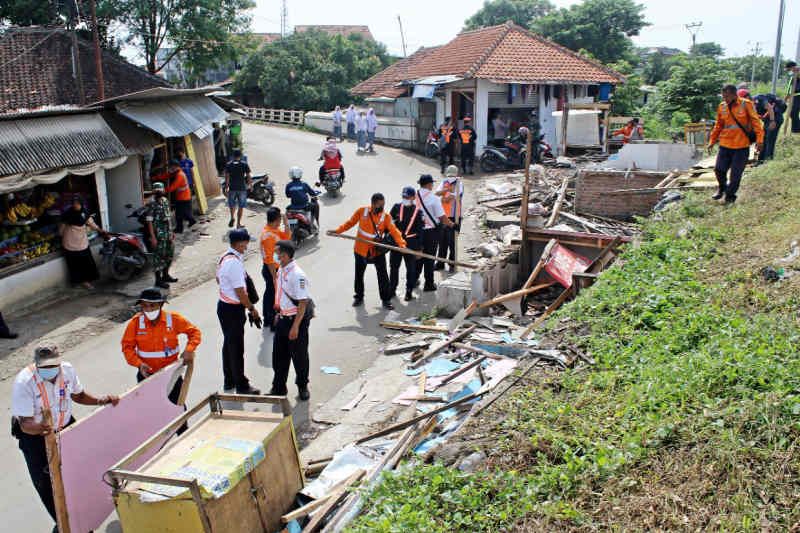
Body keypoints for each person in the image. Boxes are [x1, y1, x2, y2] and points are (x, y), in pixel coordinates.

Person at [11, 346, 119, 529]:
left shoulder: (67, 370)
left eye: (53, 366)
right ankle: (66, 525)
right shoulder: (24, 381)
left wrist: (101, 400)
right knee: (51, 491)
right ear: (37, 366)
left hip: (65, 430)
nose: (49, 371)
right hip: (37, 439)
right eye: (44, 368)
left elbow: (79, 395)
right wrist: (41, 429)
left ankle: (81, 522)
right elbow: (25, 424)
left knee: (78, 480)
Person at [121, 287, 201, 399]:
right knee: (150, 409)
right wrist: (139, 364)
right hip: (146, 375)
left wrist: (189, 350)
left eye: (152, 305)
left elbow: (194, 333)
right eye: (144, 306)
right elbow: (127, 347)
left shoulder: (173, 319)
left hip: (172, 374)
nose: (148, 310)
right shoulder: (136, 323)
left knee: (176, 407)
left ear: (161, 305)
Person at [330, 193, 406, 310]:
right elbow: (350, 223)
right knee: (359, 274)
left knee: (383, 276)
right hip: (361, 250)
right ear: (373, 203)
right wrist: (338, 231)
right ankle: (359, 297)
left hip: (377, 251)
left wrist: (402, 244)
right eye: (379, 205)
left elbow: (395, 231)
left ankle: (386, 299)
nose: (382, 207)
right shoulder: (362, 211)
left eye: (383, 204)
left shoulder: (386, 217)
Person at [216, 229, 261, 394]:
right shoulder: (233, 262)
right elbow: (240, 292)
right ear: (240, 243)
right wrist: (252, 308)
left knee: (228, 345)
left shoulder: (225, 256)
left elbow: (218, 279)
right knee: (236, 349)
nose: (247, 246)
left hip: (224, 306)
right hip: (233, 310)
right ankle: (242, 385)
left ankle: (229, 381)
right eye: (246, 243)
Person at [707, 84, 764, 204]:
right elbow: (718, 125)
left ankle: (730, 196)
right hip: (725, 145)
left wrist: (760, 140)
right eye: (723, 96)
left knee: (735, 175)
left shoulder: (746, 104)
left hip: (741, 147)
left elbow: (756, 123)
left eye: (727, 96)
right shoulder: (722, 106)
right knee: (719, 170)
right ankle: (722, 188)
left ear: (734, 94)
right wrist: (712, 141)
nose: (725, 99)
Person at [270, 240, 313, 400]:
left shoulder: (297, 275)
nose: (276, 256)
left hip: (295, 321)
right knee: (279, 356)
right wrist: (278, 313)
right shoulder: (281, 270)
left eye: (278, 253)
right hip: (282, 319)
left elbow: (302, 302)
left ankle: (302, 386)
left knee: (299, 357)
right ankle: (279, 388)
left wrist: (295, 327)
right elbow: (281, 294)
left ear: (286, 255)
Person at [414, 174, 454, 291]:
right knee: (429, 258)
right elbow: (442, 218)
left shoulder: (413, 196)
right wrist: (452, 225)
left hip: (416, 232)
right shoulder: (433, 198)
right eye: (432, 183)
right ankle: (429, 284)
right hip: (431, 233)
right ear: (428, 184)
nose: (432, 185)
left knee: (418, 256)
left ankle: (413, 280)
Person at [59, 195, 104, 289]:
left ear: (81, 203)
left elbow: (91, 223)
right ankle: (80, 282)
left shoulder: (84, 212)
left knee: (85, 263)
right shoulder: (68, 214)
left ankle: (87, 280)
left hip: (82, 241)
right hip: (70, 242)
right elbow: (61, 229)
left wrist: (100, 230)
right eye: (74, 203)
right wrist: (61, 235)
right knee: (74, 264)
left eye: (77, 203)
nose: (75, 205)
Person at [389, 187, 424, 302]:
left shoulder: (418, 212)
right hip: (396, 243)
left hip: (411, 244)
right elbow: (389, 223)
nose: (405, 199)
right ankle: (392, 290)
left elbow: (420, 231)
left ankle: (408, 292)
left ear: (413, 197)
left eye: (407, 197)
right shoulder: (396, 207)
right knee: (394, 268)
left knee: (411, 269)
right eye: (403, 197)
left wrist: (419, 249)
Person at [260, 207, 291, 328]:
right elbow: (269, 260)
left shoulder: (274, 230)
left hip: (275, 268)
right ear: (275, 220)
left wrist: (286, 222)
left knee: (270, 293)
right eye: (280, 219)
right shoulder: (268, 235)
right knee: (273, 295)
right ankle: (272, 320)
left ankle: (268, 318)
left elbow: (287, 237)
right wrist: (274, 276)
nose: (280, 222)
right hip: (271, 270)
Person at [146, 182, 176, 289]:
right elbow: (149, 221)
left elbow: (168, 218)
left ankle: (166, 275)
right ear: (154, 191)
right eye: (157, 190)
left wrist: (171, 232)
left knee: (169, 254)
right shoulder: (151, 204)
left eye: (160, 190)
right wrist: (152, 237)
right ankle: (158, 280)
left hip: (167, 233)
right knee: (158, 258)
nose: (159, 192)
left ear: (163, 190)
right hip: (158, 235)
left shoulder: (165, 201)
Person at [435, 167, 464, 272]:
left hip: (455, 216)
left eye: (452, 175)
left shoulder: (459, 183)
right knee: (442, 241)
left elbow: (457, 194)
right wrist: (446, 190)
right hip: (444, 216)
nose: (451, 177)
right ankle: (440, 263)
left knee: (452, 241)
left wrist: (447, 196)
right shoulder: (444, 182)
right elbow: (437, 192)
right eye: (449, 175)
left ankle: (452, 264)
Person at [163, 159, 196, 233]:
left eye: (170, 167)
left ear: (174, 167)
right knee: (181, 214)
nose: (169, 169)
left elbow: (172, 187)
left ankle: (182, 227)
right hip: (182, 197)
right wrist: (157, 178)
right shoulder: (177, 172)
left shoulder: (180, 175)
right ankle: (186, 224)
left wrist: (162, 191)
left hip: (183, 198)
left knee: (181, 214)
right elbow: (167, 176)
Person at [224, 149, 252, 229]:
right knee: (241, 206)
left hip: (232, 188)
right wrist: (250, 185)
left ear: (233, 156)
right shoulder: (244, 164)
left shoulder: (229, 164)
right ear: (240, 156)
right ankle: (238, 224)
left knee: (232, 205)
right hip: (242, 188)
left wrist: (226, 187)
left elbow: (227, 177)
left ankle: (232, 217)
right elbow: (249, 176)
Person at [754, 93, 785, 161]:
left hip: (775, 118)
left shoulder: (759, 99)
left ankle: (768, 160)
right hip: (768, 119)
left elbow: (770, 108)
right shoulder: (748, 105)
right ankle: (761, 160)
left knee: (770, 139)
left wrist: (772, 121)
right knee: (763, 139)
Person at [785, 61, 800, 133]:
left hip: (798, 96)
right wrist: (787, 96)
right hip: (794, 96)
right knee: (793, 113)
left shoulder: (798, 71)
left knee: (793, 112)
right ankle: (796, 129)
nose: (788, 71)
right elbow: (790, 87)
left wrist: (797, 70)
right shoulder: (793, 76)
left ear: (792, 67)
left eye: (789, 70)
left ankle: (796, 130)